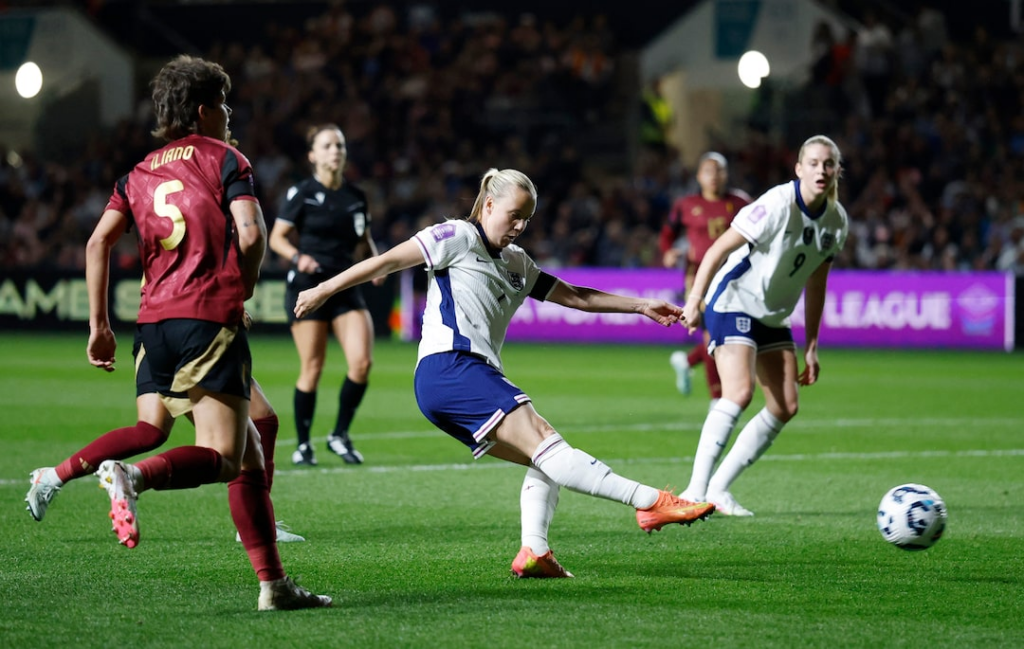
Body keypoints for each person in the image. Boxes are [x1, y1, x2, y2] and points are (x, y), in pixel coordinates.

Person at [294, 168, 715, 578]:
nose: (519, 226)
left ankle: (535, 551)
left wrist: (640, 305)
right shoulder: (455, 236)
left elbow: (577, 297)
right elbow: (385, 261)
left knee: (546, 458)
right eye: (514, 215)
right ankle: (650, 501)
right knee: (548, 444)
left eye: (527, 219)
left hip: (458, 378)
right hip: (452, 365)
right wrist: (323, 289)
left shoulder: (517, 262)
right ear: (489, 205)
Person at [67, 54, 328, 610]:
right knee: (226, 457)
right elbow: (251, 235)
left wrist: (98, 326)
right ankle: (131, 477)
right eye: (224, 104)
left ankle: (273, 585)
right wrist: (241, 288)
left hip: (152, 327)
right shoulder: (225, 158)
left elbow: (97, 242)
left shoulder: (137, 173)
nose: (229, 114)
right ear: (205, 111)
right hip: (205, 318)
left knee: (251, 449)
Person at [677, 135, 849, 517]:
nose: (821, 170)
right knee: (739, 393)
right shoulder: (776, 204)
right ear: (799, 168)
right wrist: (694, 299)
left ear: (837, 170)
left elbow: (817, 283)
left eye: (829, 164)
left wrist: (812, 345)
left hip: (772, 314)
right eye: (814, 163)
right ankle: (694, 491)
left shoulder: (836, 222)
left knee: (786, 405)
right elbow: (718, 249)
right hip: (733, 299)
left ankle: (719, 489)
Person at [269, 124, 382, 466]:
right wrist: (297, 257)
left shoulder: (356, 196)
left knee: (362, 364)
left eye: (340, 145)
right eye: (328, 145)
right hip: (308, 286)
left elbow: (364, 240)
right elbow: (277, 238)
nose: (335, 151)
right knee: (313, 366)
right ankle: (304, 445)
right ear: (312, 156)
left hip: (344, 285)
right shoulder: (301, 193)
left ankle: (339, 435)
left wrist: (377, 264)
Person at [659, 152, 751, 401]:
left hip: (735, 277)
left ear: (726, 174)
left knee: (726, 335)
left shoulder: (741, 202)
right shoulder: (686, 205)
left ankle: (687, 361)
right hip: (699, 278)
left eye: (719, 170)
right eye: (709, 171)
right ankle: (716, 399)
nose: (714, 176)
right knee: (712, 334)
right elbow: (667, 233)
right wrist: (668, 252)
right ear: (699, 176)